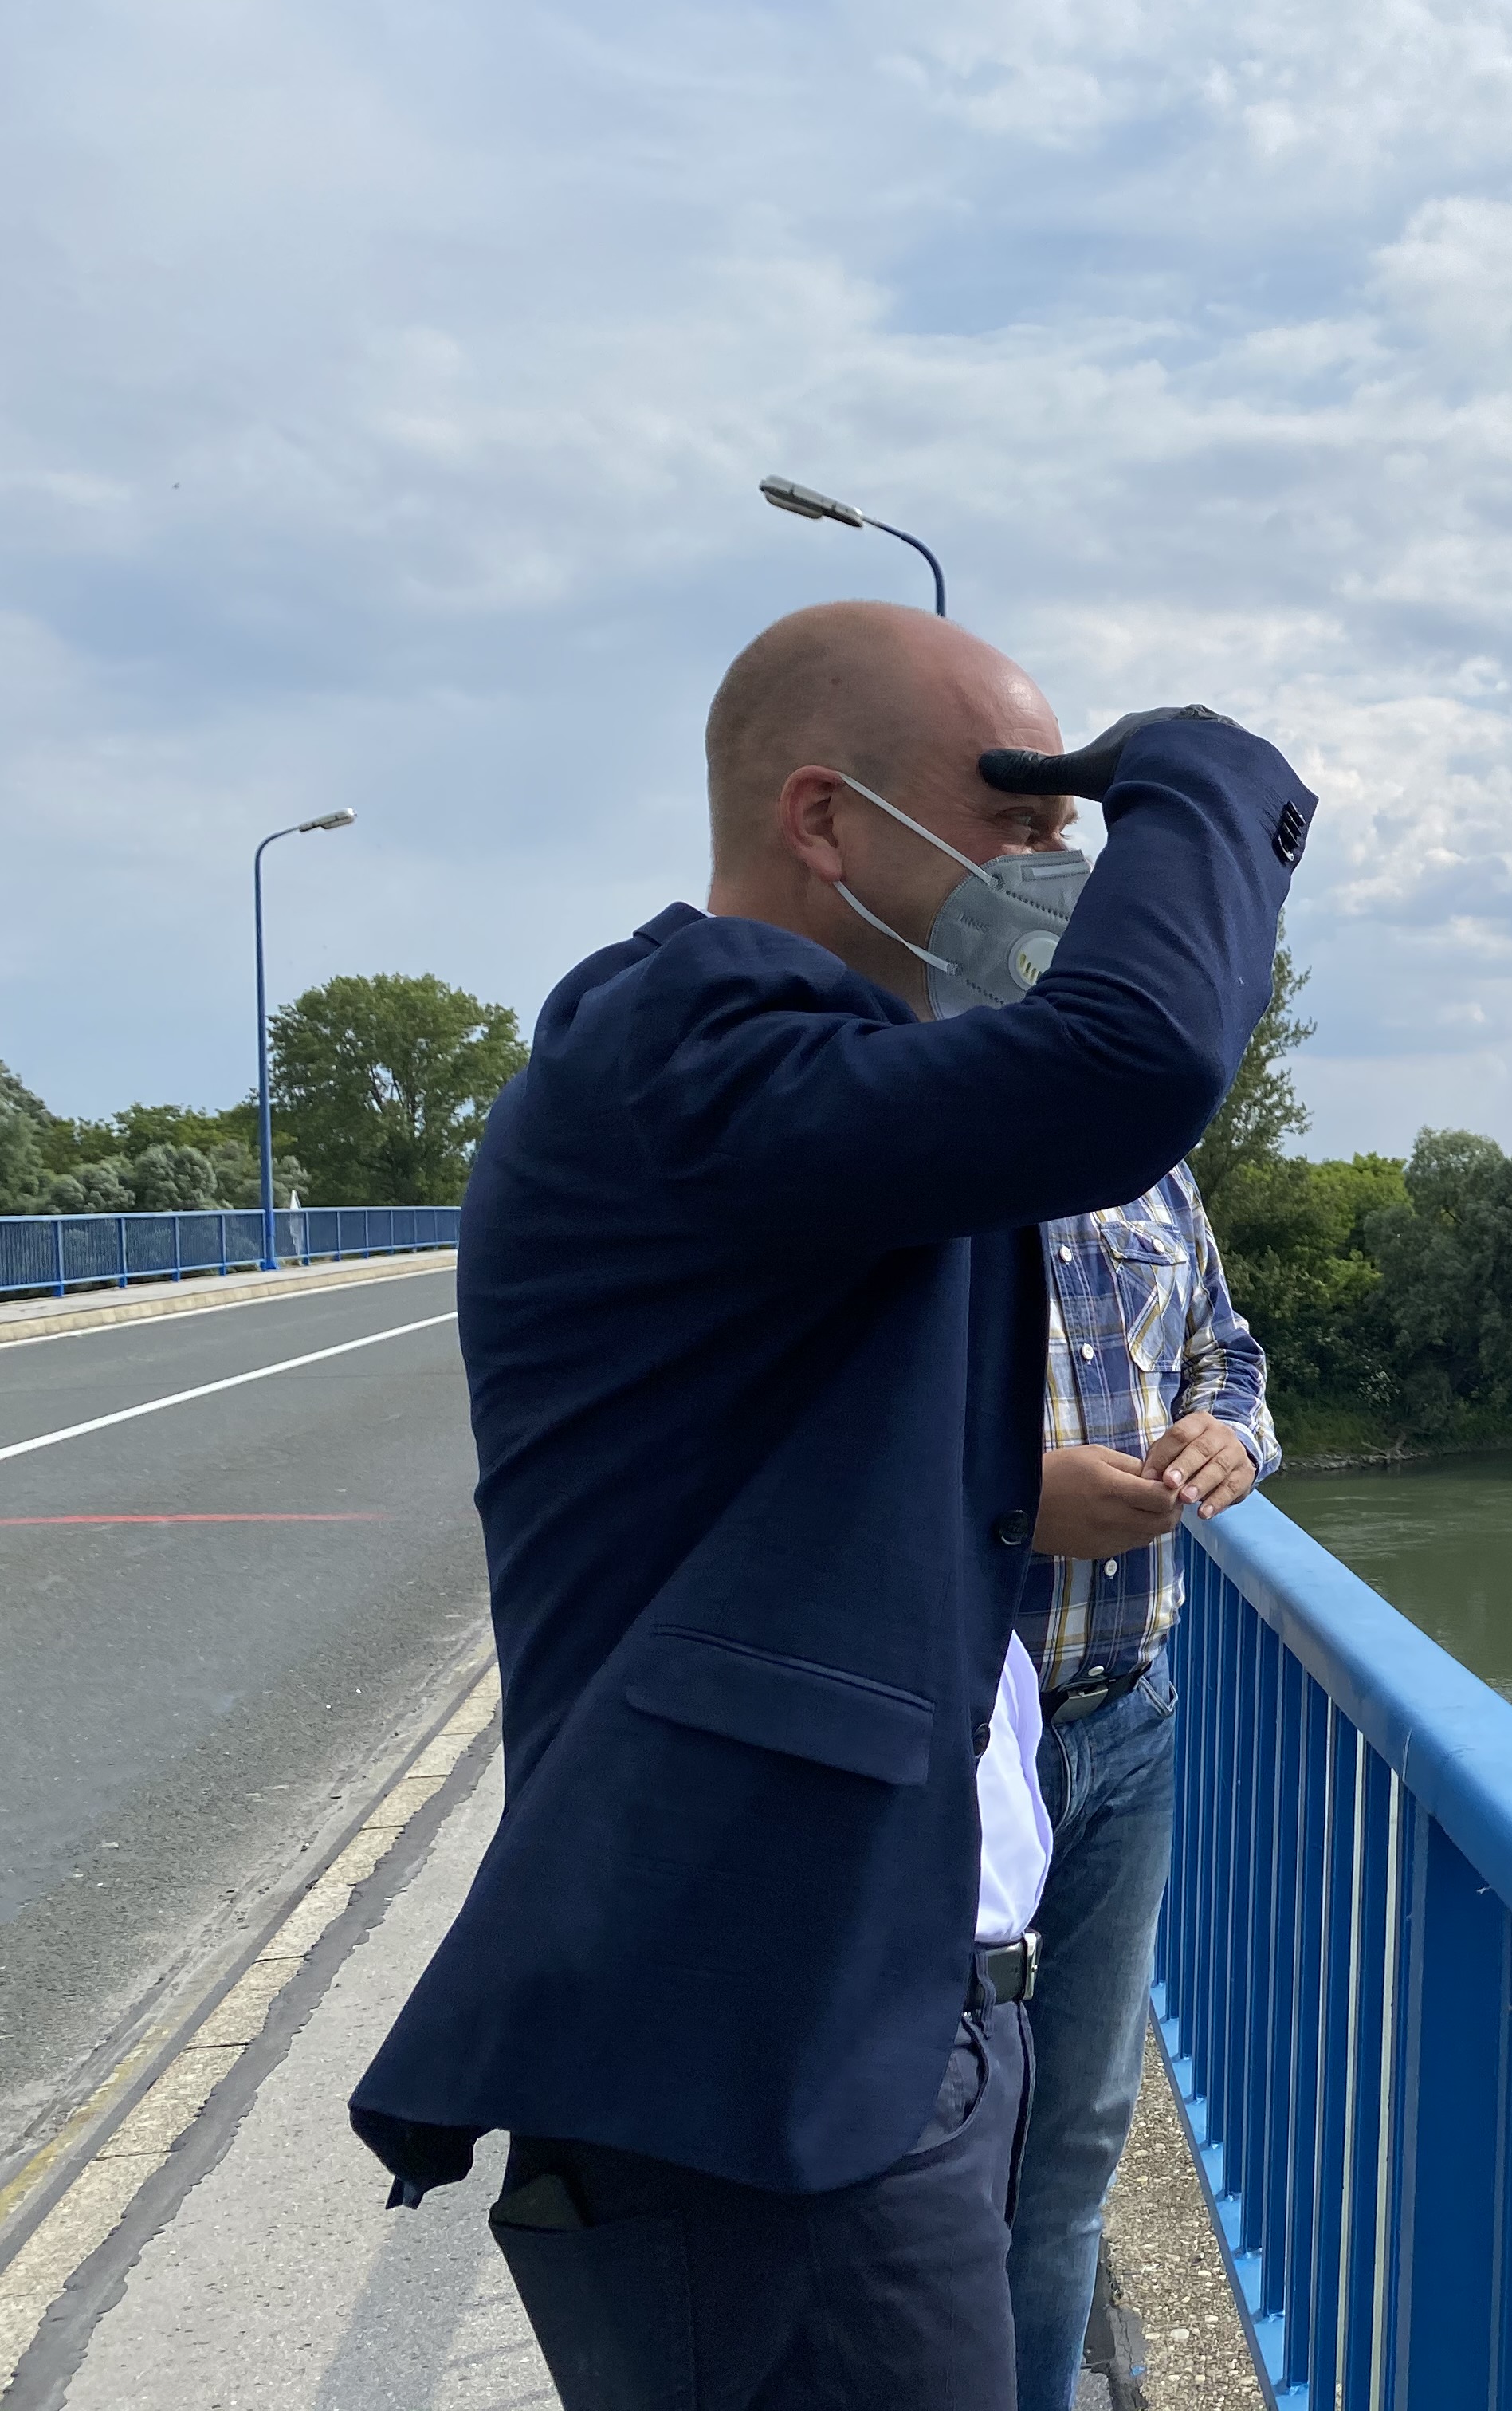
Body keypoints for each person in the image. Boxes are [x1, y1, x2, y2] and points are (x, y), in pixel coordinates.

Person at [348, 599, 1314, 2411]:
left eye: (1071, 827)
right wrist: (1196, 772)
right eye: (1019, 815)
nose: (1055, 865)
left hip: (876, 1999)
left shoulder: (815, 1090)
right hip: (765, 2047)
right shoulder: (685, 1049)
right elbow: (1130, 1065)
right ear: (822, 820)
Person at [1008, 1164, 1278, 2405]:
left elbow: (1227, 1355)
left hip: (1129, 1726)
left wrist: (1231, 1436)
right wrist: (1010, 1501)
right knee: (916, 2146)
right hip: (949, 1745)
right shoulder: (908, 1134)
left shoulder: (1152, 1171)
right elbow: (806, 1420)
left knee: (1071, 2152)